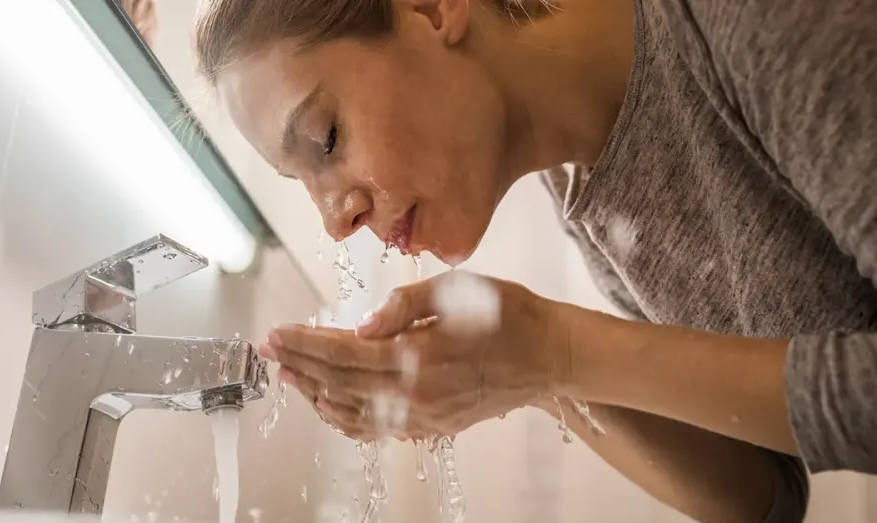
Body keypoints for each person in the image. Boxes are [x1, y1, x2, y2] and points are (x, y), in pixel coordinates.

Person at [194, 0, 877, 520]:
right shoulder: (587, 181)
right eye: (304, 185)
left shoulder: (753, 18)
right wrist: (523, 373)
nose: (336, 220)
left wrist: (559, 349)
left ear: (432, 8)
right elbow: (759, 494)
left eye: (327, 137)